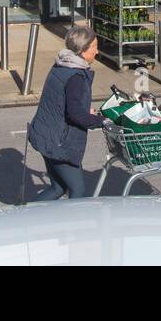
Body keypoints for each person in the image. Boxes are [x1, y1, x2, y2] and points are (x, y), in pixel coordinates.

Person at [26, 25, 105, 200]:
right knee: (78, 191)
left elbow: (61, 101)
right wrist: (101, 120)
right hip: (59, 143)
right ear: (83, 50)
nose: (97, 52)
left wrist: (86, 111)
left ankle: (28, 217)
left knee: (58, 188)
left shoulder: (61, 64)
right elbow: (75, 115)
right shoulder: (76, 76)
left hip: (45, 135)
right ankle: (70, 225)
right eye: (94, 47)